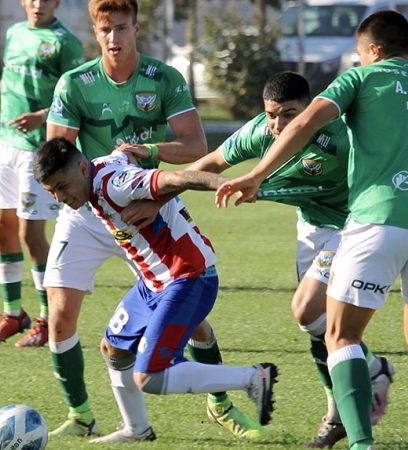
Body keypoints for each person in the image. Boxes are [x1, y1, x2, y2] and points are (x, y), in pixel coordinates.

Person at [217, 11, 408, 450]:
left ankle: (360, 443)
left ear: (373, 51)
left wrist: (256, 176)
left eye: (360, 54)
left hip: (377, 221)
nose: (358, 61)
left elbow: (304, 123)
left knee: (342, 336)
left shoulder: (362, 80)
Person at [43, 0, 264, 440]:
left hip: (149, 208)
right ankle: (83, 414)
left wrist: (146, 158)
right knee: (60, 318)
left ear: (136, 28)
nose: (113, 38)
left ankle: (221, 401)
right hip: (88, 208)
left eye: (121, 28)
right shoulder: (74, 83)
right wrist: (97, 184)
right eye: (105, 30)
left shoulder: (164, 78)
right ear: (94, 30)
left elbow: (195, 145)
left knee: (190, 315)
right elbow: (57, 157)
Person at [34, 137, 278, 443]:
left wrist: (227, 184)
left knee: (149, 376)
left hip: (188, 276)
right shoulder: (97, 175)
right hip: (154, 282)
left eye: (62, 186)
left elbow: (179, 178)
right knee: (114, 349)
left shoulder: (114, 183)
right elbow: (121, 155)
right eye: (52, 191)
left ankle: (254, 378)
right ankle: (136, 429)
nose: (60, 197)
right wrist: (127, 150)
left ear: (83, 168)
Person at [0, 0, 84, 347]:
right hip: (5, 143)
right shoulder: (14, 33)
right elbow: (7, 78)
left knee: (30, 234)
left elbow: (75, 96)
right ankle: (13, 313)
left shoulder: (66, 43)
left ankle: (48, 319)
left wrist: (43, 115)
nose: (38, 4)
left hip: (38, 150)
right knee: (2, 229)